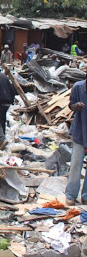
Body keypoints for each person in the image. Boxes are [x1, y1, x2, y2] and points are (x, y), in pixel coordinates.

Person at [65, 73, 87, 206]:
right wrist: (76, 106)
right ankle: (71, 195)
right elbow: (70, 105)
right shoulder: (78, 87)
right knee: (75, 164)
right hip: (80, 131)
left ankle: (85, 196)